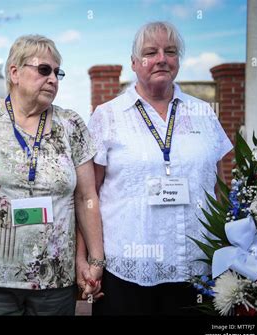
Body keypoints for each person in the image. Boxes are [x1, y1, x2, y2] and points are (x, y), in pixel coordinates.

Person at [0, 34, 105, 315]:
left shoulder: (71, 124)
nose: (53, 78)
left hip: (55, 279)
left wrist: (95, 260)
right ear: (14, 72)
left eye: (56, 72)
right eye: (43, 70)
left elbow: (86, 197)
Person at [80, 21, 233, 315]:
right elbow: (89, 196)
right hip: (126, 269)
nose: (162, 58)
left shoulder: (203, 112)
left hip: (196, 267)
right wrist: (88, 259)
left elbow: (219, 187)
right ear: (135, 63)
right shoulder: (108, 115)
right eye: (151, 52)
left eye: (171, 51)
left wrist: (230, 250)